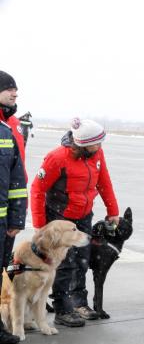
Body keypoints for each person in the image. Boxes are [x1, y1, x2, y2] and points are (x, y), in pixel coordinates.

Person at [32, 118, 118, 326]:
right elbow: (37, 189)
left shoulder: (96, 153)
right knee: (64, 263)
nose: (99, 146)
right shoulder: (57, 158)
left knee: (82, 260)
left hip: (83, 215)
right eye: (96, 143)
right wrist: (40, 225)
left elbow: (104, 181)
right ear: (82, 143)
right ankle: (62, 308)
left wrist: (112, 210)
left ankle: (79, 302)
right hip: (60, 217)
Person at [0, 70, 27, 344]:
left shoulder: (6, 132)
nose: (14, 96)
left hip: (3, 222)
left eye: (15, 93)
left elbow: (17, 181)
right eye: (9, 91)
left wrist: (17, 220)